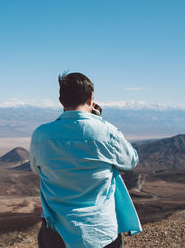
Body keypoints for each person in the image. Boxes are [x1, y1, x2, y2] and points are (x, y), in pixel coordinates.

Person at [30, 72, 142, 248]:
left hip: (55, 232)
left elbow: (37, 169)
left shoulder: (41, 134)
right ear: (91, 98)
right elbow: (130, 161)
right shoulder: (106, 131)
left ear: (61, 100)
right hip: (101, 231)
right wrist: (99, 121)